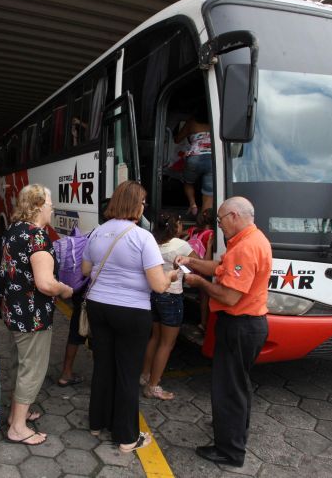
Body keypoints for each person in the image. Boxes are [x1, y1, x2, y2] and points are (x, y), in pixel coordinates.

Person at [82, 181, 178, 453]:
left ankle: (96, 422)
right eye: (143, 202)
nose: (144, 207)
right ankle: (126, 437)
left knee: (103, 366)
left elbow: (87, 269)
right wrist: (171, 275)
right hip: (131, 311)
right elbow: (158, 284)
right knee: (126, 372)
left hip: (98, 306)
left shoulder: (98, 232)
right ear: (136, 205)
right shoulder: (142, 237)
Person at [176, 197, 271, 467]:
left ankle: (229, 451)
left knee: (228, 388)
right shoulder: (251, 239)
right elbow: (220, 268)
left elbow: (229, 296)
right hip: (249, 324)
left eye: (220, 220)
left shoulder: (246, 247)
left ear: (234, 215)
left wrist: (198, 283)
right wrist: (193, 263)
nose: (219, 226)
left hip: (240, 325)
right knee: (237, 385)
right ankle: (234, 431)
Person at [0, 184, 74, 445]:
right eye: (50, 203)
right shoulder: (37, 236)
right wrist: (64, 289)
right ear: (39, 205)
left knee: (21, 364)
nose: (52, 208)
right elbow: (45, 284)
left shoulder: (13, 230)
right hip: (33, 316)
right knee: (33, 369)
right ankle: (17, 427)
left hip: (14, 312)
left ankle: (18, 413)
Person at [140, 213, 195, 400]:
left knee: (154, 337)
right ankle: (153, 386)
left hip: (154, 294)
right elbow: (197, 262)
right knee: (167, 343)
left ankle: (145, 375)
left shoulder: (152, 243)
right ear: (175, 227)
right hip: (172, 296)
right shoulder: (182, 246)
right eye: (179, 223)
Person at [174, 103, 213, 216]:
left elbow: (177, 139)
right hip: (212, 160)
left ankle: (193, 204)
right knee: (208, 194)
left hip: (194, 158)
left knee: (188, 182)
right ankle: (204, 223)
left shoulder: (192, 122)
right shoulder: (217, 121)